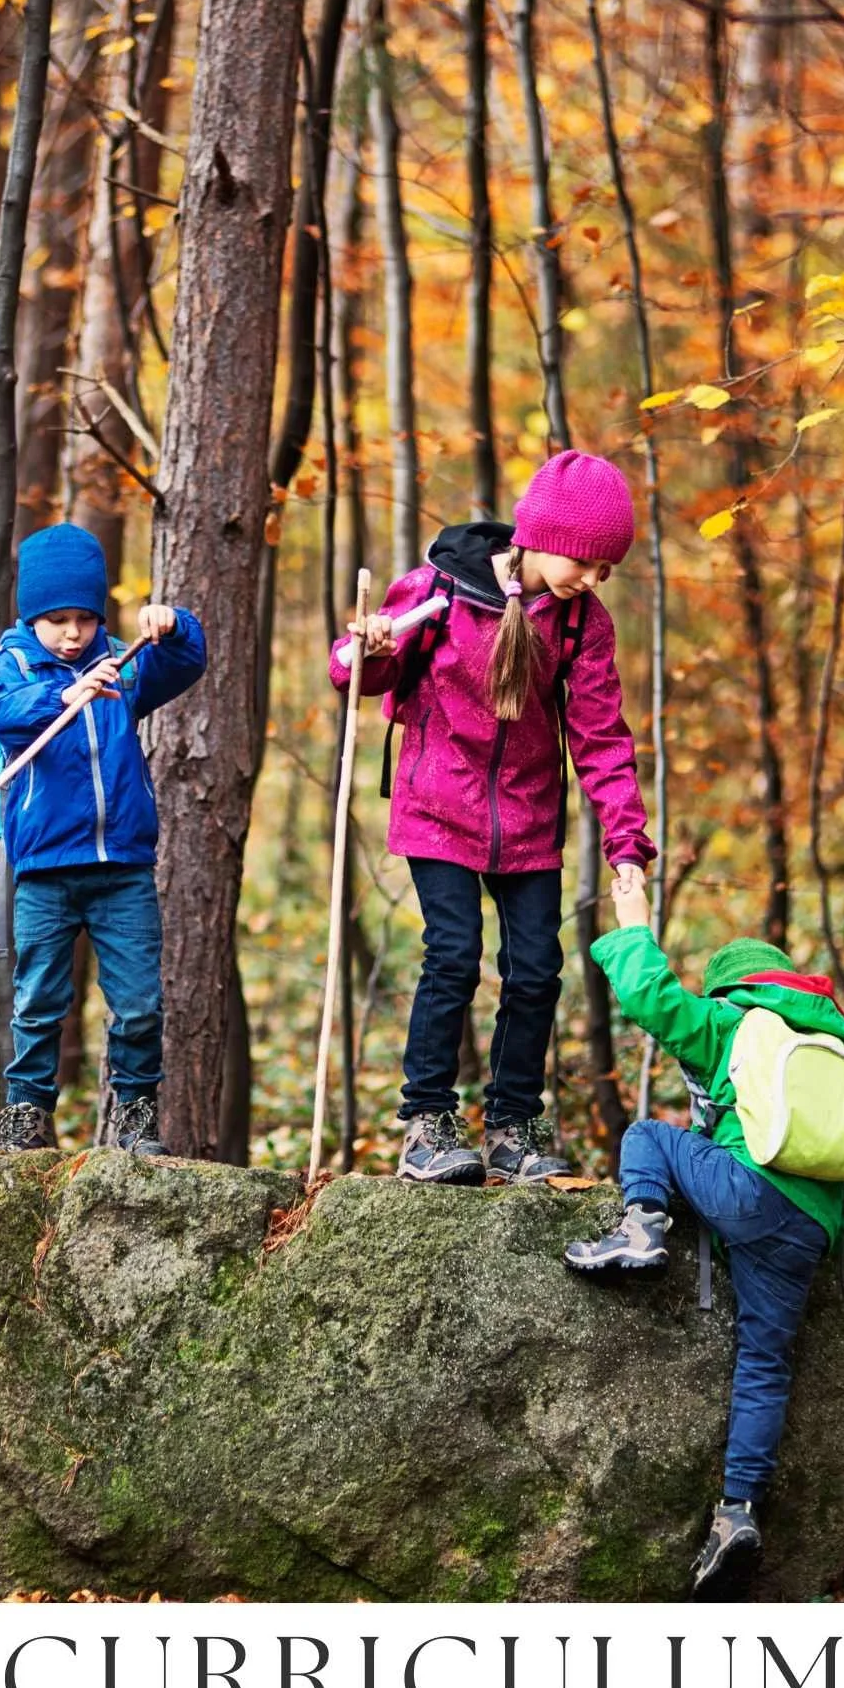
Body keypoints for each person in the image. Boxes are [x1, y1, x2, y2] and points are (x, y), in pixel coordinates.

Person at [332, 449, 654, 1186]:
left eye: (607, 568)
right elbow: (356, 671)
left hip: (529, 818)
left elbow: (602, 737)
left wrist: (625, 843)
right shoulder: (440, 588)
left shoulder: (581, 625)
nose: (593, 578)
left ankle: (513, 1123)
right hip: (438, 806)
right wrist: (369, 646)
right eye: (587, 560)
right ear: (541, 535)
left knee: (538, 969)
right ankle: (427, 1122)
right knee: (452, 954)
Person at [567, 882, 844, 1597]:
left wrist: (630, 925)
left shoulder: (734, 1022)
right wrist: (835, 1236)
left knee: (649, 1135)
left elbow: (652, 1000)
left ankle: (641, 1228)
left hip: (745, 1191)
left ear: (733, 986)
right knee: (765, 1364)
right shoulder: (838, 1046)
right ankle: (736, 1511)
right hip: (807, 1227)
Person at [0, 522, 206, 1157]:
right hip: (46, 868)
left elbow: (187, 662)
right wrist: (64, 693)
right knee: (39, 999)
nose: (74, 633)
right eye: (58, 620)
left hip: (121, 867)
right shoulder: (14, 662)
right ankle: (25, 1111)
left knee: (137, 1003)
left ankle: (135, 1115)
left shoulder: (122, 667)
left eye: (84, 618)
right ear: (33, 618)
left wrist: (175, 623)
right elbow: (6, 712)